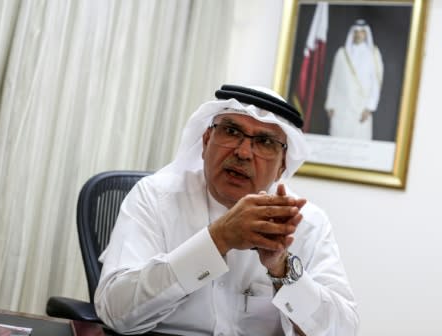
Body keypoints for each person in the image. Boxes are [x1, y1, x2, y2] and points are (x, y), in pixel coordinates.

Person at [94, 84, 359, 336]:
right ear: (207, 139)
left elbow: (341, 330)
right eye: (231, 132)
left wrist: (282, 269)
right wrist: (217, 240)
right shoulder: (154, 197)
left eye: (265, 141)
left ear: (282, 166)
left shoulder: (307, 223)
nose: (243, 152)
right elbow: (115, 312)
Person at [325, 19, 384, 140]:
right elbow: (334, 80)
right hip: (341, 107)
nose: (358, 35)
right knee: (337, 143)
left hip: (361, 107)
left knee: (358, 144)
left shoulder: (373, 54)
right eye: (356, 32)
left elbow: (376, 83)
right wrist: (330, 104)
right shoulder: (342, 53)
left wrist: (369, 108)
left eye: (362, 32)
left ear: (366, 33)